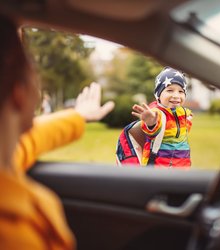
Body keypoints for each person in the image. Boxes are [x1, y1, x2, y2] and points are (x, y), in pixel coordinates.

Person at [0, 14, 114, 249]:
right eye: (29, 61)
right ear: (19, 92)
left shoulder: (8, 156)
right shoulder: (15, 237)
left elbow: (32, 138)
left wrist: (78, 115)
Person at [132, 67, 193, 168]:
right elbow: (153, 130)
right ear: (158, 95)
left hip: (183, 165)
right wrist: (151, 123)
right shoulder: (156, 112)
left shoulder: (182, 112)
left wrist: (188, 121)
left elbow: (181, 131)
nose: (176, 95)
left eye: (181, 91)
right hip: (160, 168)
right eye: (170, 90)